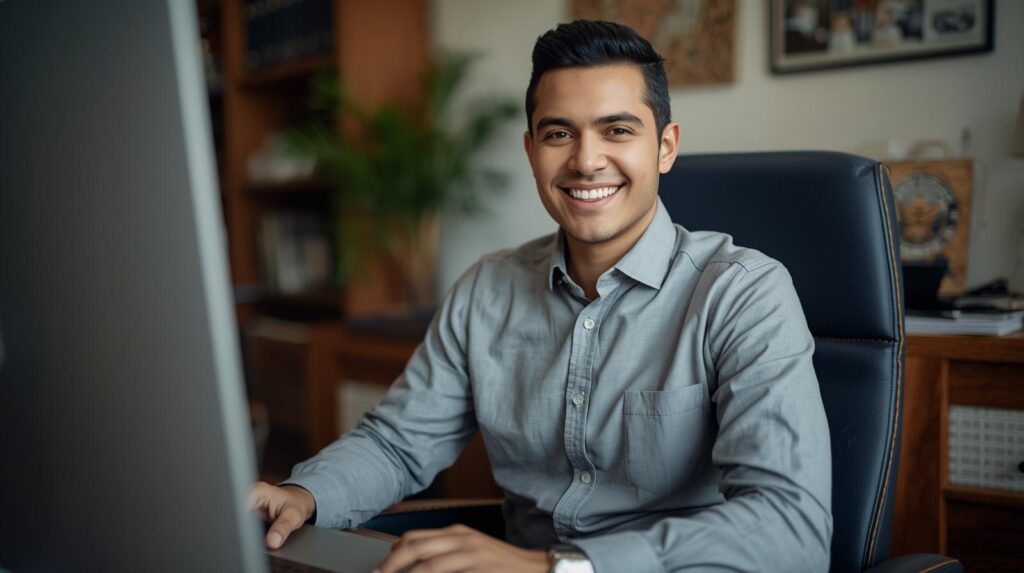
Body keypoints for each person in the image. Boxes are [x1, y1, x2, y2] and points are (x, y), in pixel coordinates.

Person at [249, 20, 833, 573]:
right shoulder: (487, 288)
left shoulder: (742, 292)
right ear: (531, 150)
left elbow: (789, 527)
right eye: (559, 133)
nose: (585, 160)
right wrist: (304, 493)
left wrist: (559, 567)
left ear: (666, 146)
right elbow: (398, 442)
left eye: (618, 130)